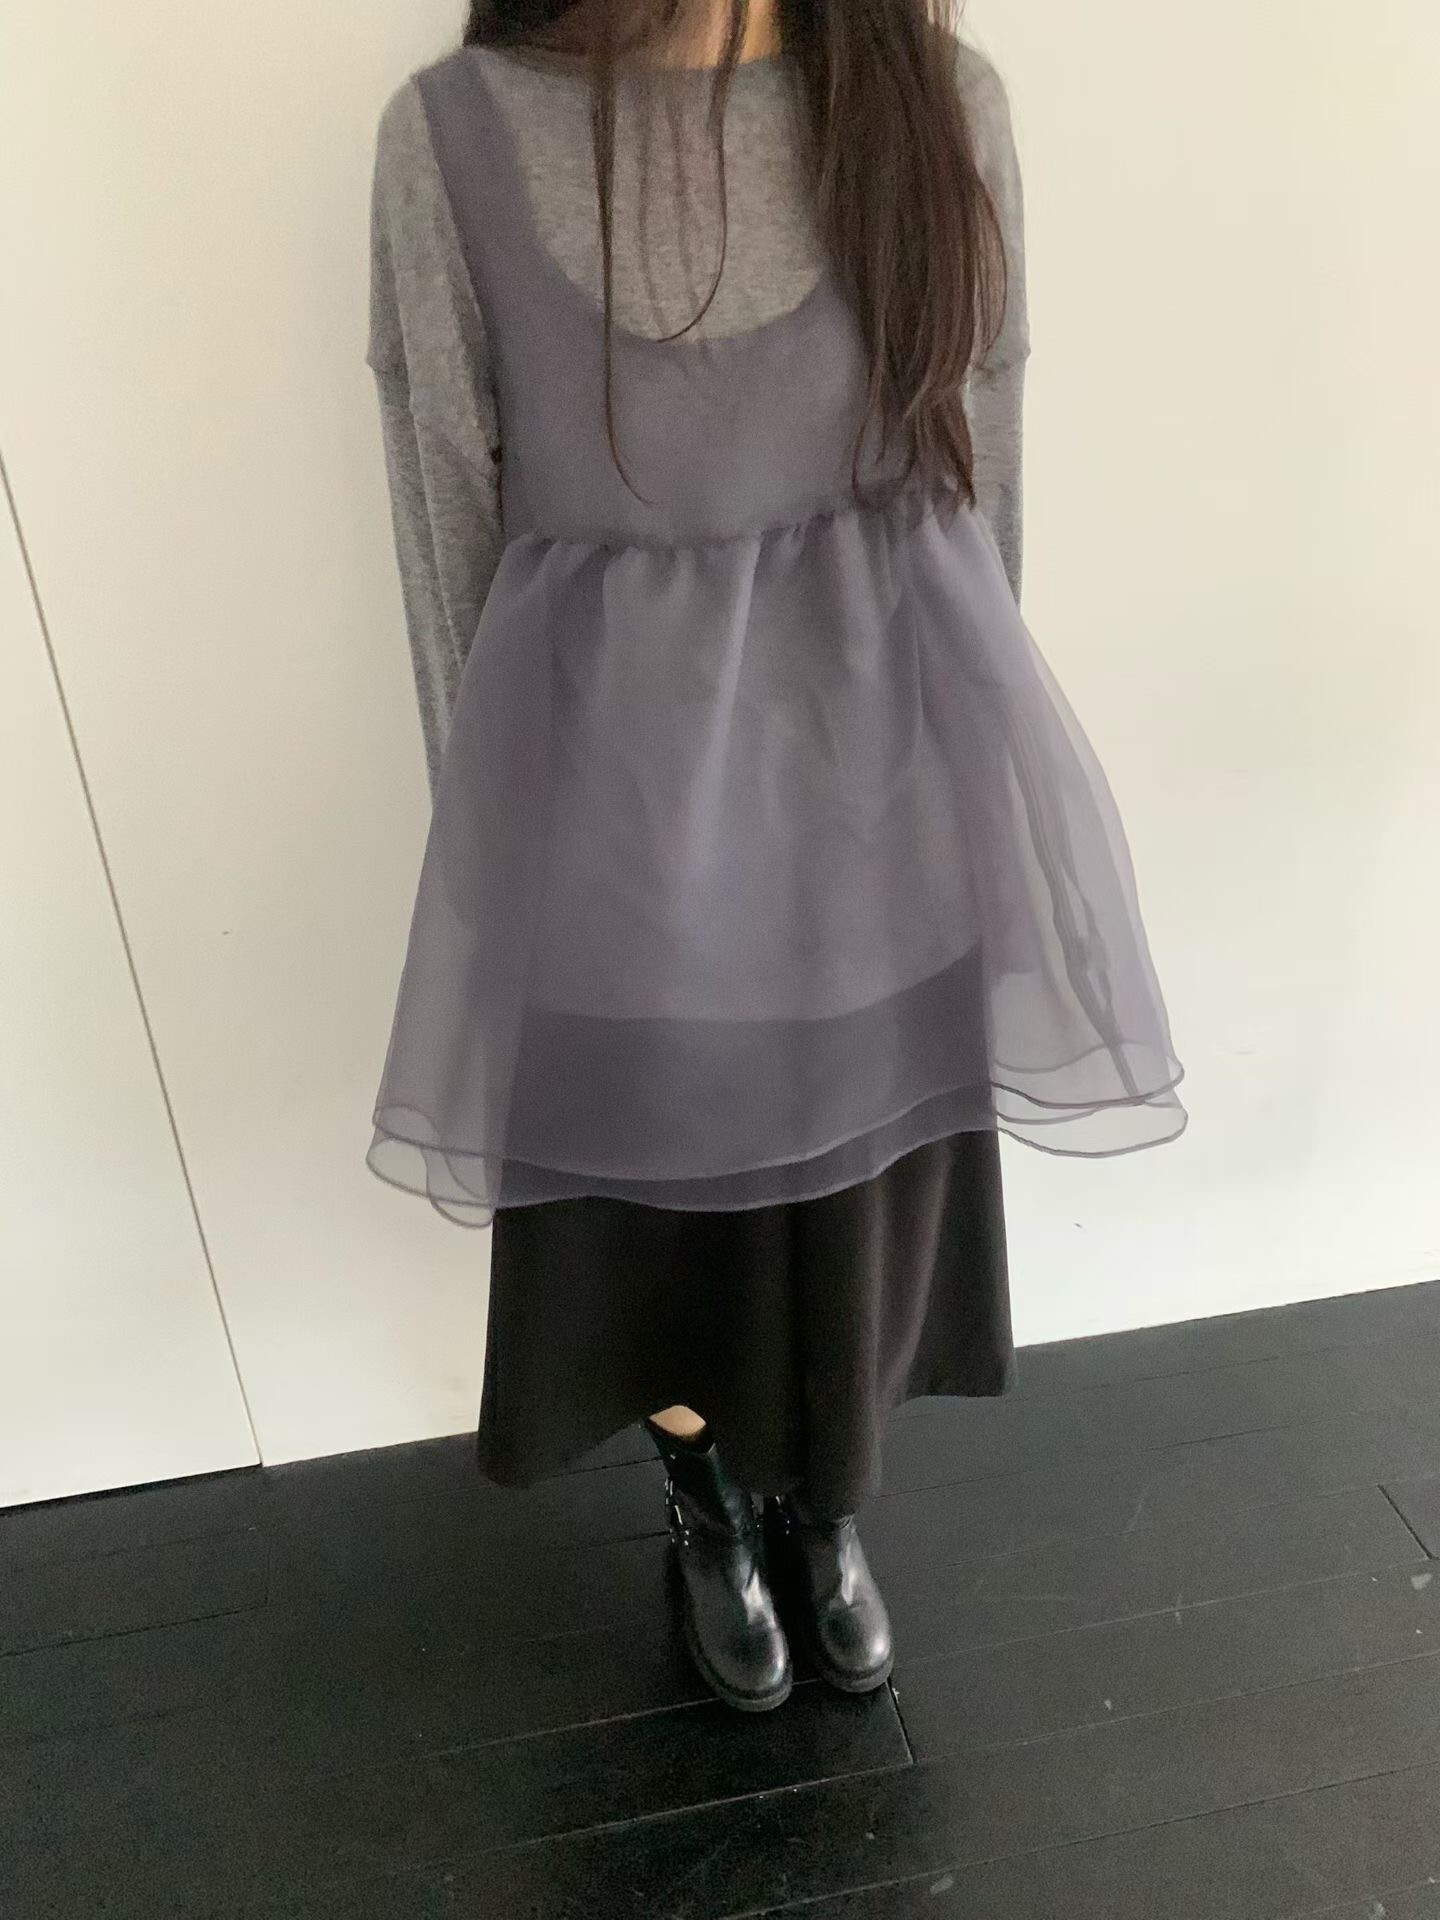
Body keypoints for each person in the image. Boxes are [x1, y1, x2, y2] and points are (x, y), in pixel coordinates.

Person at [364, 0, 1186, 1714]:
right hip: (614, 797)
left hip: (872, 778)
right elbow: (447, 505)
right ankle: (710, 1502)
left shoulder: (937, 102)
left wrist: (978, 780)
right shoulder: (455, 140)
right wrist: (488, 839)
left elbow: (983, 460)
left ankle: (826, 1500)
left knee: (856, 1198)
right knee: (640, 1218)